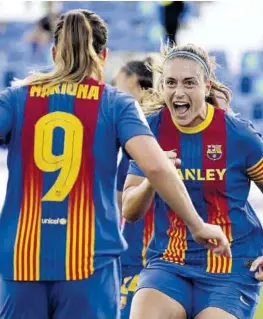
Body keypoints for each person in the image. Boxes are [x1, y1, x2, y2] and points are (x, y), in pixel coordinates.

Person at [0, 10, 231, 319]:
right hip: (88, 262)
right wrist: (197, 224)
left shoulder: (17, 98)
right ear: (103, 55)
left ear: (55, 52)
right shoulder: (115, 104)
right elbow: (157, 167)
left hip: (21, 258)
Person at [123, 43, 263, 319]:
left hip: (231, 266)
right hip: (170, 261)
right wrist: (155, 176)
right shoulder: (149, 131)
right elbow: (130, 211)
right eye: (171, 83)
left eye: (189, 83)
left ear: (207, 86)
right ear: (161, 86)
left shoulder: (238, 135)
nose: (179, 92)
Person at [112, 57, 157, 319]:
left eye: (117, 83)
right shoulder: (159, 124)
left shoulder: (137, 128)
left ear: (131, 82)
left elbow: (121, 198)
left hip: (138, 240)